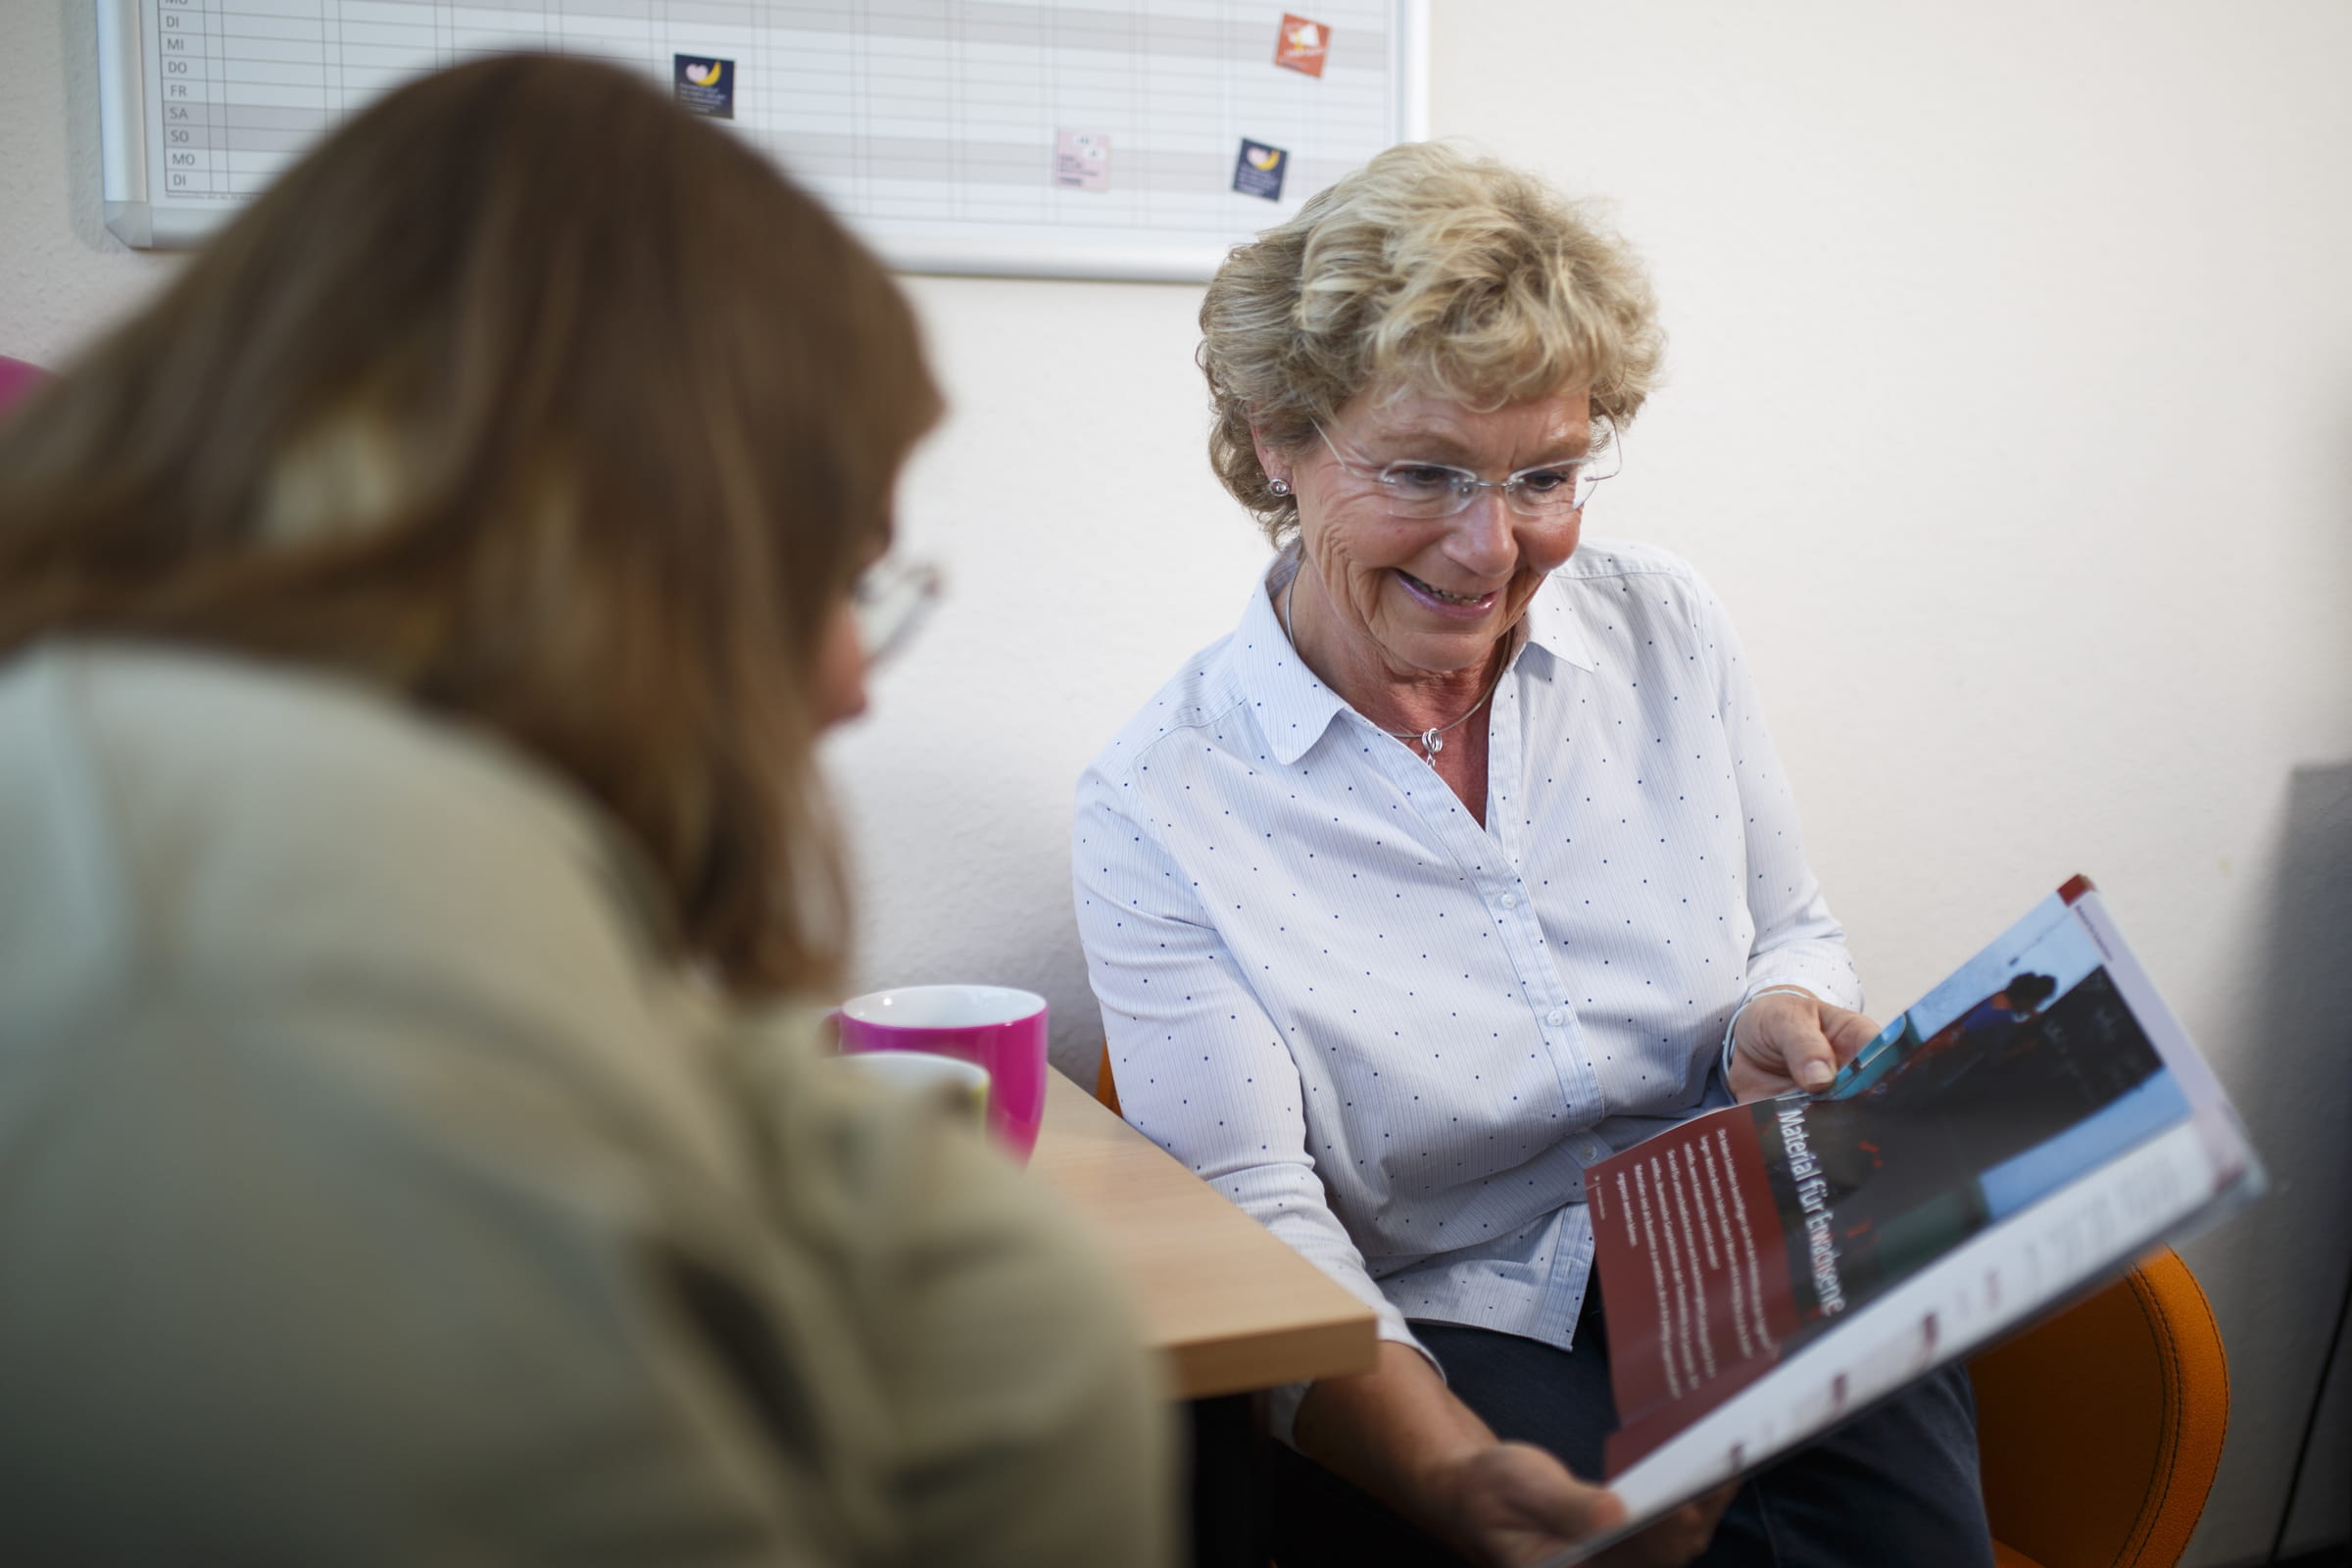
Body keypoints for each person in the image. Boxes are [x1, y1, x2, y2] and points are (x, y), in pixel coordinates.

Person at [0, 57, 1171, 1566]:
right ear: (618, 537)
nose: (848, 684)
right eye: (834, 569)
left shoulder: (222, 794)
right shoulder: (242, 934)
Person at [1073, 142, 1991, 1568]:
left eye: (1546, 474)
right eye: (1426, 471)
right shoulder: (1162, 803)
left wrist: (1770, 1010)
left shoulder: (1665, 626)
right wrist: (1450, 1478)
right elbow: (1257, 1223)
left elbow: (1793, 925)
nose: (1490, 548)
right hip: (1458, 1304)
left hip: (1739, 1227)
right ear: (1278, 438)